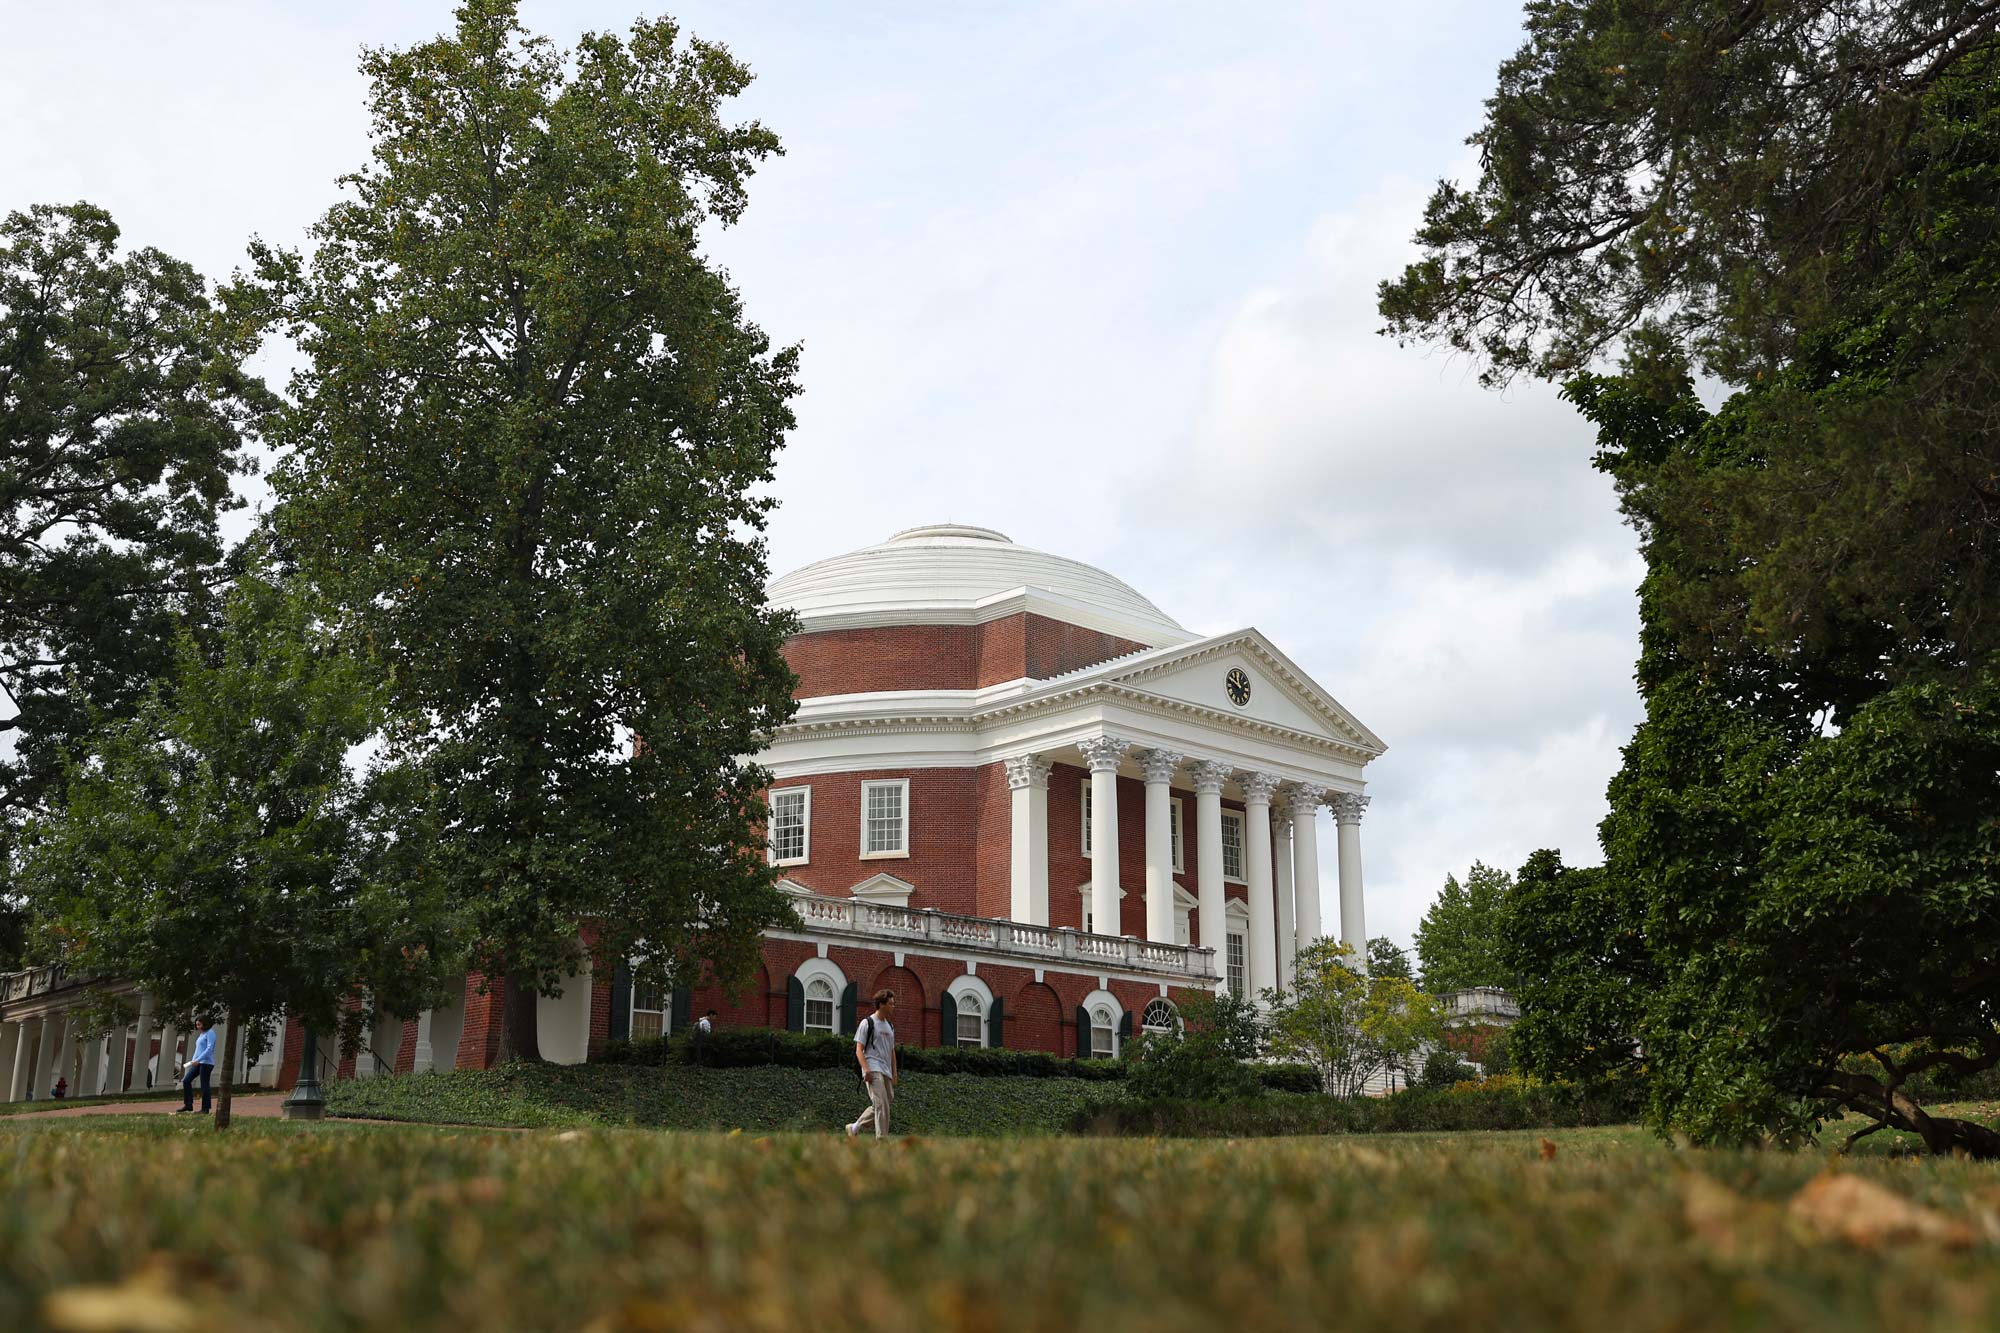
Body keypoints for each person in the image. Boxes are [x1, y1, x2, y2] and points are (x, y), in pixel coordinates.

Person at [845, 989, 898, 1140]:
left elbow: (892, 1051)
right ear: (881, 1004)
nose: (893, 1006)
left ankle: (854, 1128)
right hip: (872, 1067)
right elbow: (859, 1050)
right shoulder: (867, 1023)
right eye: (890, 1004)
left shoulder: (890, 1027)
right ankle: (882, 1140)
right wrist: (866, 1070)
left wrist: (895, 1073)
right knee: (881, 1103)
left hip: (886, 1070)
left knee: (883, 1104)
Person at [177, 1017, 216, 1115]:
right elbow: (198, 1049)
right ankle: (188, 1105)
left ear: (205, 1024)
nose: (197, 1027)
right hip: (198, 1062)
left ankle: (205, 1109)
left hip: (206, 1063)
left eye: (199, 1024)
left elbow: (209, 1049)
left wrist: (198, 1060)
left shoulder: (210, 1033)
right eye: (197, 1024)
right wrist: (194, 1060)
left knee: (204, 1085)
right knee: (186, 1081)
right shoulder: (201, 1035)